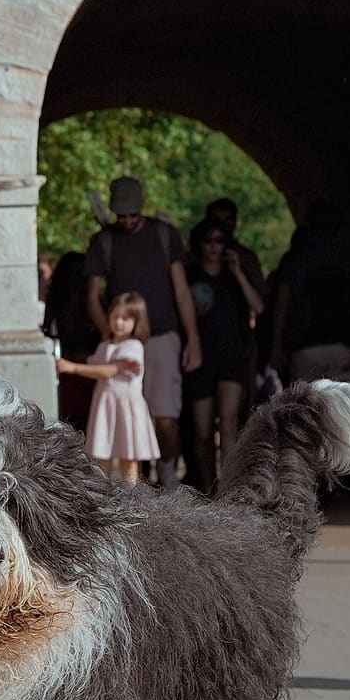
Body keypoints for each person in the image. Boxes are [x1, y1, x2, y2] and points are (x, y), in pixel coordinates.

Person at [84, 177, 201, 489]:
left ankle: (166, 471)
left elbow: (181, 290)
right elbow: (92, 295)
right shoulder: (103, 240)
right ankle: (134, 485)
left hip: (163, 335)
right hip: (123, 341)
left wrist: (193, 338)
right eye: (121, 215)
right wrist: (109, 335)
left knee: (165, 416)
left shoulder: (164, 235)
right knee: (122, 414)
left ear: (141, 207)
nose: (127, 221)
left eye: (132, 214)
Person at [184, 218, 266, 492]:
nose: (214, 247)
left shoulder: (234, 275)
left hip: (232, 355)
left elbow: (259, 307)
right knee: (202, 431)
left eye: (219, 241)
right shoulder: (190, 275)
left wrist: (238, 272)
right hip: (200, 358)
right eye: (208, 241)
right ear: (200, 244)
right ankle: (208, 487)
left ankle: (229, 489)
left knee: (229, 421)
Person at [57, 292, 159, 484]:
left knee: (128, 458)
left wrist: (73, 367)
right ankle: (105, 497)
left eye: (125, 318)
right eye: (115, 317)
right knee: (102, 455)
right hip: (105, 405)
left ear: (136, 321)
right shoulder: (104, 346)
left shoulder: (134, 346)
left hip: (126, 408)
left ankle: (133, 499)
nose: (119, 322)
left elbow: (108, 371)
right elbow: (97, 367)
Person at [269, 203, 350, 382]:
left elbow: (281, 305)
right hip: (344, 345)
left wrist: (276, 345)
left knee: (305, 405)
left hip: (305, 345)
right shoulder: (348, 260)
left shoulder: (296, 260)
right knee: (342, 407)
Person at [43, 251, 100, 429]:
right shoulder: (94, 301)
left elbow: (47, 327)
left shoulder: (57, 298)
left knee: (72, 416)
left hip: (71, 360)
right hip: (86, 360)